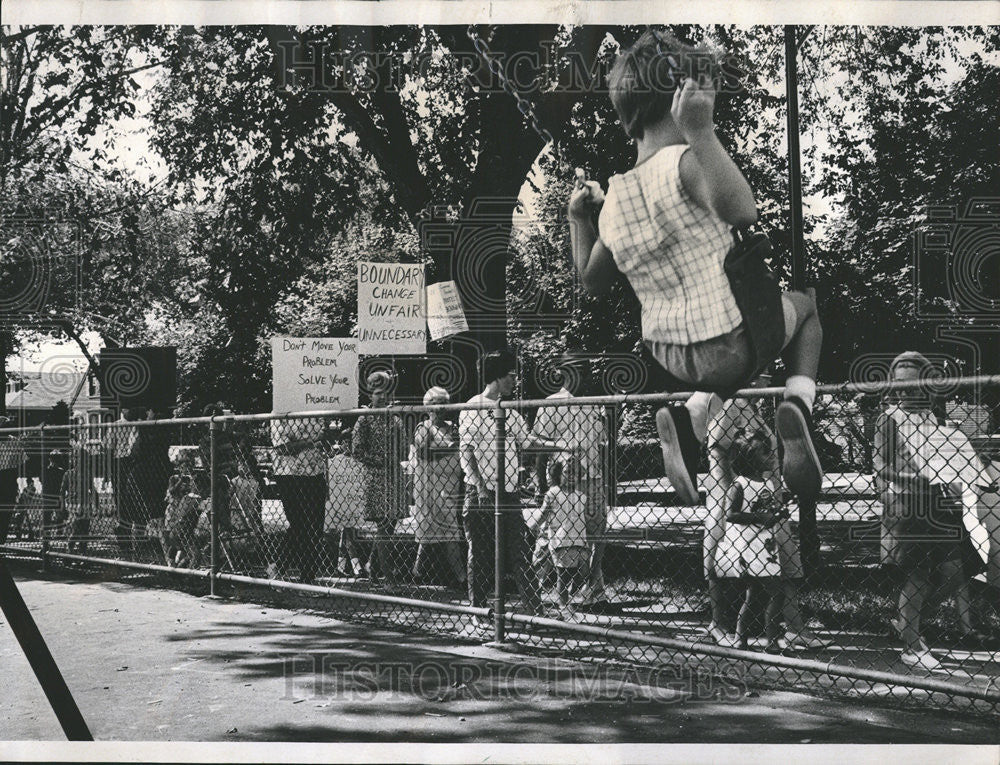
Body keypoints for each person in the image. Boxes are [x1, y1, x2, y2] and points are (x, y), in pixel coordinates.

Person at [567, 29, 824, 507]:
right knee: (805, 311)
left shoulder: (616, 197)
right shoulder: (687, 162)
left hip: (669, 355)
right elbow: (743, 210)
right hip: (733, 340)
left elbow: (591, 283)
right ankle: (798, 408)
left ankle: (689, 423)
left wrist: (577, 219)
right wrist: (702, 132)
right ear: (682, 97)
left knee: (731, 365)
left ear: (628, 119)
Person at [874, 351, 992, 669]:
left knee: (954, 570)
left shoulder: (928, 416)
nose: (904, 390)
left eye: (912, 384)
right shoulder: (889, 417)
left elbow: (942, 458)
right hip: (907, 504)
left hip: (936, 502)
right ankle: (912, 645)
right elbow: (880, 466)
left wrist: (960, 473)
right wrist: (917, 477)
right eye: (899, 384)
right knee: (919, 576)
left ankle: (907, 622)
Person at [708, 391, 829, 651]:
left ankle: (791, 630)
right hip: (749, 525)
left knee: (786, 572)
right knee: (758, 588)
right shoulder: (729, 404)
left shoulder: (754, 407)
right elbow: (719, 446)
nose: (764, 377)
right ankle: (749, 633)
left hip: (769, 511)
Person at [459, 350, 567, 616]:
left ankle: (535, 610)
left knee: (520, 551)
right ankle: (478, 609)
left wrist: (560, 444)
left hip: (508, 493)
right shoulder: (474, 407)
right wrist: (481, 487)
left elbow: (527, 440)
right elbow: (467, 452)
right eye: (510, 376)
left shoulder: (508, 410)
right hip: (481, 493)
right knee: (481, 554)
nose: (514, 381)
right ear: (496, 376)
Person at [531, 355, 611, 609]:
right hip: (563, 482)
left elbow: (603, 446)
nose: (586, 375)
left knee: (596, 535)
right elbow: (539, 446)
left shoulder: (595, 404)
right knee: (552, 534)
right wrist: (539, 483)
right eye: (580, 370)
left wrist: (609, 480)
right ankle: (534, 582)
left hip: (593, 479)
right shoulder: (552, 404)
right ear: (565, 373)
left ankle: (594, 591)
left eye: (587, 370)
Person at [352, 371, 407, 583]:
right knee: (384, 525)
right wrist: (381, 459)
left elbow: (403, 447)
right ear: (370, 396)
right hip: (376, 476)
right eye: (377, 393)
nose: (382, 397)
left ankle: (372, 566)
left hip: (394, 476)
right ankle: (388, 576)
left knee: (389, 526)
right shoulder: (364, 420)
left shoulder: (394, 419)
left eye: (385, 393)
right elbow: (357, 450)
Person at [409, 386, 466, 587]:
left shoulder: (453, 427)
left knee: (432, 534)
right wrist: (449, 451)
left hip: (451, 487)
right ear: (427, 406)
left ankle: (417, 571)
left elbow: (463, 447)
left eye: (443, 402)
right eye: (435, 403)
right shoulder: (424, 428)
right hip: (430, 488)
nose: (439, 408)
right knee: (448, 532)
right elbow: (423, 453)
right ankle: (462, 577)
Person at [271, 414, 329, 584]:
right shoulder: (280, 411)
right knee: (299, 524)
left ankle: (307, 578)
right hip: (289, 474)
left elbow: (322, 437)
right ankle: (279, 566)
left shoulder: (314, 410)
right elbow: (282, 448)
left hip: (315, 472)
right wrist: (311, 442)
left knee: (315, 525)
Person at [537, 456, 590, 618]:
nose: (571, 476)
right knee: (563, 576)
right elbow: (543, 515)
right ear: (558, 474)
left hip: (580, 539)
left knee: (584, 572)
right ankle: (563, 605)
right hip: (561, 540)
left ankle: (568, 598)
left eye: (575, 472)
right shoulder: (553, 493)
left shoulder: (582, 496)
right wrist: (533, 526)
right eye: (567, 472)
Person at [162, 472, 202, 567]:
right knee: (173, 537)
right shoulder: (174, 478)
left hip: (184, 508)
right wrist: (180, 481)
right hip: (173, 509)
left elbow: (191, 492)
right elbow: (171, 491)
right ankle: (170, 563)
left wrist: (189, 482)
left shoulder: (189, 480)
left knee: (183, 537)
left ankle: (179, 563)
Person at [62, 450, 96, 556]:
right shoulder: (69, 474)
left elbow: (94, 490)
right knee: (75, 530)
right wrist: (62, 505)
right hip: (74, 504)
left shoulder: (87, 474)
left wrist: (96, 504)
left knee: (84, 530)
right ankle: (70, 551)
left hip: (85, 504)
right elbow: (62, 491)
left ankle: (82, 553)